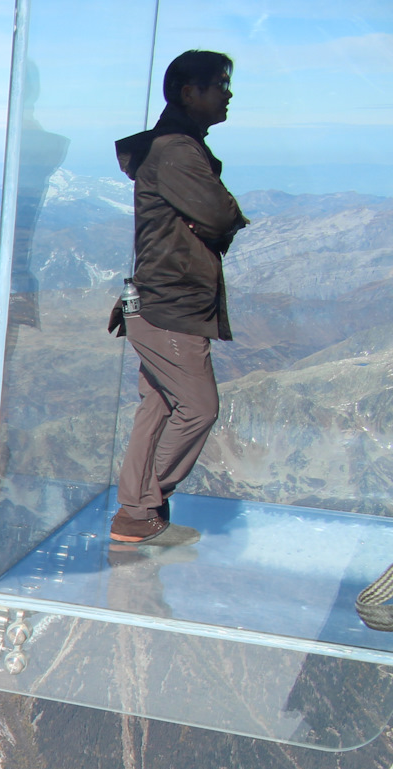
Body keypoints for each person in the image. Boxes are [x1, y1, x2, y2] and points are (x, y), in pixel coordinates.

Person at [107, 49, 248, 546]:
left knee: (161, 404)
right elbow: (221, 215)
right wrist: (218, 217)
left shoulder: (177, 147)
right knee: (198, 406)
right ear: (191, 93)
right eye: (220, 85)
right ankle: (142, 505)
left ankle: (136, 516)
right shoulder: (178, 151)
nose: (228, 94)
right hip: (171, 305)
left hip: (155, 301)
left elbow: (208, 217)